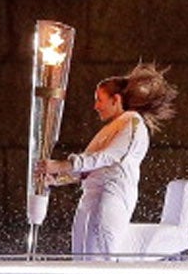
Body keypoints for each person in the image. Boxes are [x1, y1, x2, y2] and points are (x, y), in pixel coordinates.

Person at [41, 62, 177, 257]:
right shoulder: (110, 128)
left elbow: (106, 157)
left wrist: (60, 165)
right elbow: (88, 168)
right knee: (80, 258)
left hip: (111, 196)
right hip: (90, 197)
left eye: (99, 100)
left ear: (116, 100)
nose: (95, 106)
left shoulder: (133, 123)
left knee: (102, 256)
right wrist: (57, 179)